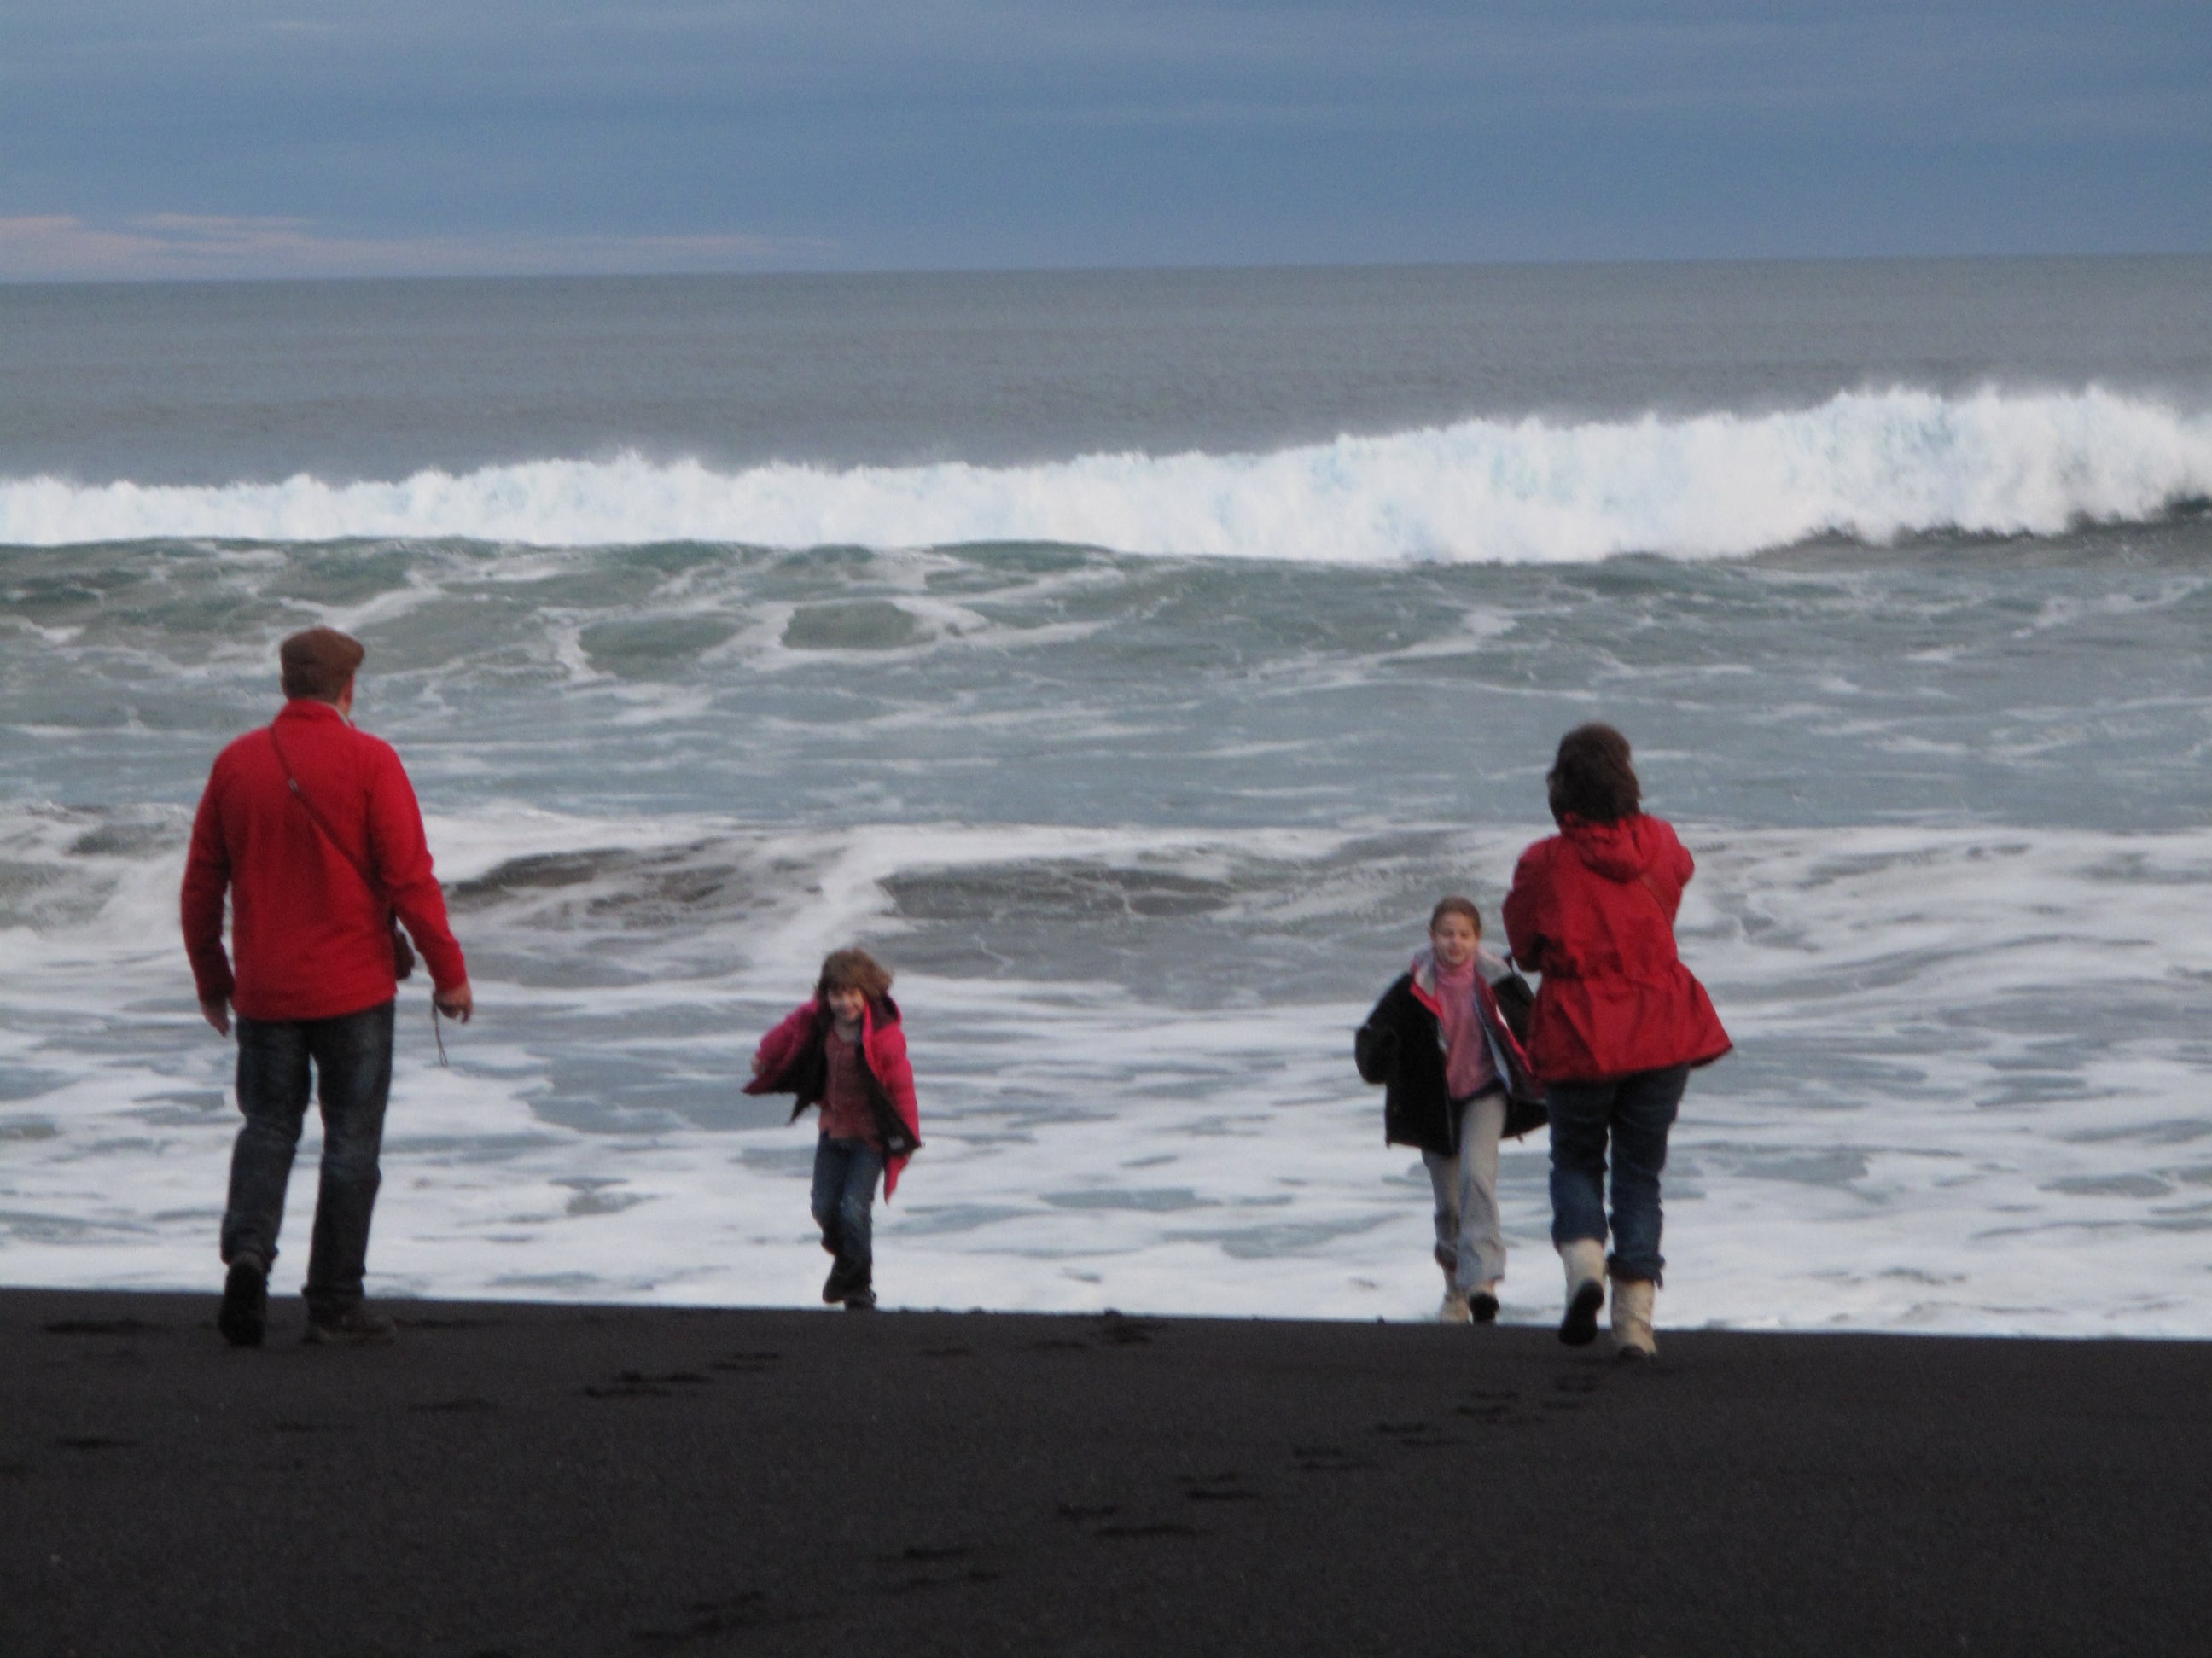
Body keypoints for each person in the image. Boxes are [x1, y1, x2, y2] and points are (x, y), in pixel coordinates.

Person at [182, 627, 473, 1348]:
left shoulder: (236, 763)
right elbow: (410, 879)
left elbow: (200, 888)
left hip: (267, 992)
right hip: (354, 991)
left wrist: (213, 979)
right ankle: (335, 1303)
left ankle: (248, 1255)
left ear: (285, 686)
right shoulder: (371, 759)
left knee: (268, 1127)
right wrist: (450, 973)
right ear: (348, 690)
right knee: (350, 1143)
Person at [1503, 723, 1729, 1359]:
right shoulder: (1660, 842)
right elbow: (1675, 879)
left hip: (1582, 1026)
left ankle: (1583, 1272)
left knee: (1576, 1159)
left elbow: (1523, 948)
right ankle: (1636, 1326)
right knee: (1640, 1173)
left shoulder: (1544, 861)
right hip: (1660, 1024)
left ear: (1561, 787)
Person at [1356, 897, 1545, 1323]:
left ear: (1477, 939)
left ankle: (1482, 1283)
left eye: (1463, 934)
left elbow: (1536, 1026)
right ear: (1431, 937)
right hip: (1433, 1103)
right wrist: (1381, 1058)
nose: (1454, 942)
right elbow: (1373, 1037)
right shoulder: (1413, 987)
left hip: (1486, 1093)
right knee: (1449, 1204)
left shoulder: (1496, 978)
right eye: (1446, 934)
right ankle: (1454, 1291)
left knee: (1477, 1177)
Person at [744, 947, 922, 1312]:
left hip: (869, 1137)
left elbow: (902, 1089)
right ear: (825, 994)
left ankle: (859, 1286)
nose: (844, 1002)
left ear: (868, 992)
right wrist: (766, 1055)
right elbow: (789, 1028)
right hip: (833, 1130)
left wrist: (906, 1139)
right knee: (824, 1207)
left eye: (852, 994)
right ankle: (845, 1262)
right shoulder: (819, 1020)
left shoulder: (884, 1037)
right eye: (836, 994)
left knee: (855, 1209)